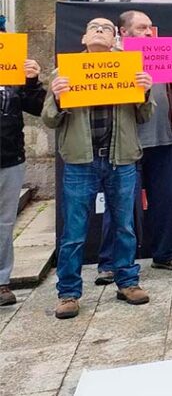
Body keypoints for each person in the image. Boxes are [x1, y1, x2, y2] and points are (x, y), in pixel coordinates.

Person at [43, 17, 156, 319]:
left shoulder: (131, 69)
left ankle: (127, 282)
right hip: (81, 161)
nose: (99, 31)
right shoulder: (62, 72)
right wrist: (56, 96)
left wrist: (145, 91)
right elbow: (49, 119)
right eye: (93, 27)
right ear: (83, 38)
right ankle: (68, 293)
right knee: (74, 232)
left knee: (124, 226)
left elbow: (145, 116)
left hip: (120, 159)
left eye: (106, 28)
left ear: (115, 38)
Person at [94, 10, 172, 284]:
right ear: (123, 32)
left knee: (164, 201)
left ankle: (164, 253)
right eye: (141, 28)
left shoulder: (163, 52)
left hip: (162, 138)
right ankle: (110, 262)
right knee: (120, 205)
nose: (149, 32)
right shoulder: (111, 59)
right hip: (126, 144)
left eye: (150, 27)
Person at [0, 46, 45, 307]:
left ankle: (2, 281)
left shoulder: (13, 71)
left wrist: (32, 82)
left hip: (9, 158)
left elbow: (38, 109)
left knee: (4, 224)